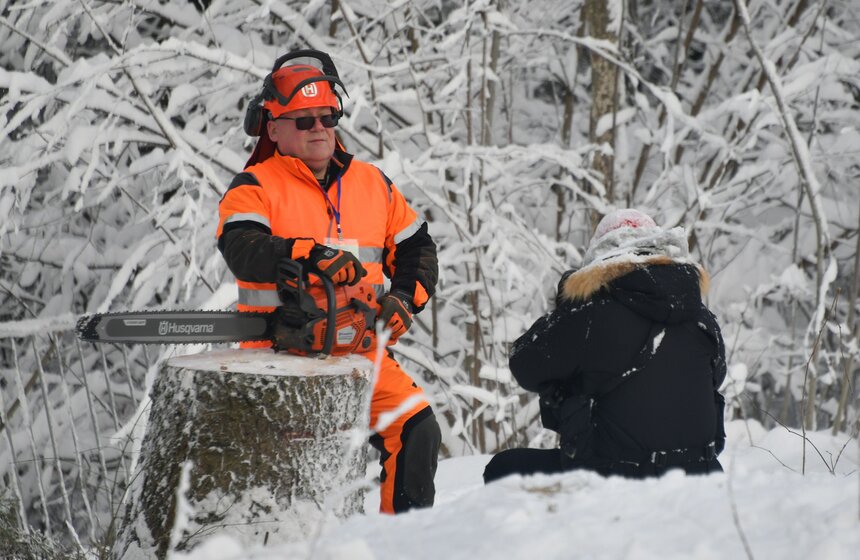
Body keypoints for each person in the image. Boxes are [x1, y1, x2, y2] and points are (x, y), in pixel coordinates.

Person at [216, 49, 441, 513]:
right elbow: (242, 248)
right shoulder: (254, 185)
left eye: (327, 116)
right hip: (276, 352)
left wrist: (403, 299)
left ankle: (403, 543)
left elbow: (418, 248)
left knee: (418, 428)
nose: (318, 128)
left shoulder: (372, 183)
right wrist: (304, 253)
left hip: (358, 348)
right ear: (273, 127)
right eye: (303, 121)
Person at [484, 209, 726, 483]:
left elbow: (524, 364)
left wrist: (567, 305)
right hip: (702, 474)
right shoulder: (703, 319)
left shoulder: (591, 314)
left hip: (617, 478)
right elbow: (716, 378)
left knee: (502, 469)